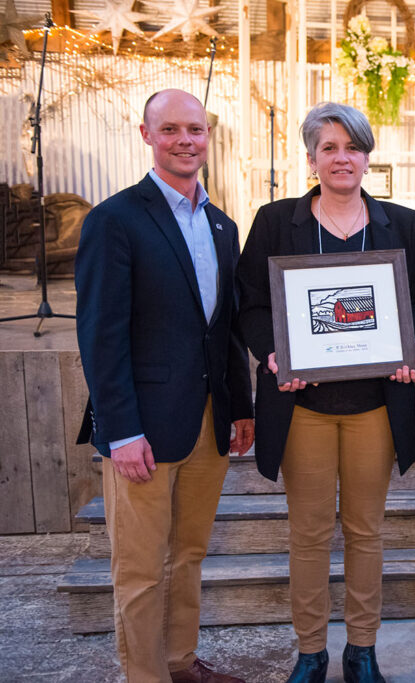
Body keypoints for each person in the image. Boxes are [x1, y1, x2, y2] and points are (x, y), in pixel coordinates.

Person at [236, 102, 415, 683]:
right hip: (304, 409)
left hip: (375, 405)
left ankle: (363, 649)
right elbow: (251, 304)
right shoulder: (275, 221)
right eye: (329, 147)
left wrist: (413, 345)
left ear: (368, 156)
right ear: (312, 158)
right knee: (309, 533)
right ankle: (311, 650)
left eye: (353, 147)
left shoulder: (401, 222)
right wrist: (273, 354)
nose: (342, 158)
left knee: (367, 531)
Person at [75, 88, 254, 683]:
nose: (186, 141)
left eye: (196, 130)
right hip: (142, 429)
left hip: (208, 423)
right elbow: (101, 336)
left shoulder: (223, 224)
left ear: (209, 138)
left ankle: (180, 663)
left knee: (189, 556)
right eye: (172, 129)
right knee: (141, 568)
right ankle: (145, 675)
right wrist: (119, 430)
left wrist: (241, 407)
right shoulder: (115, 219)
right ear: (147, 135)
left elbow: (224, 329)